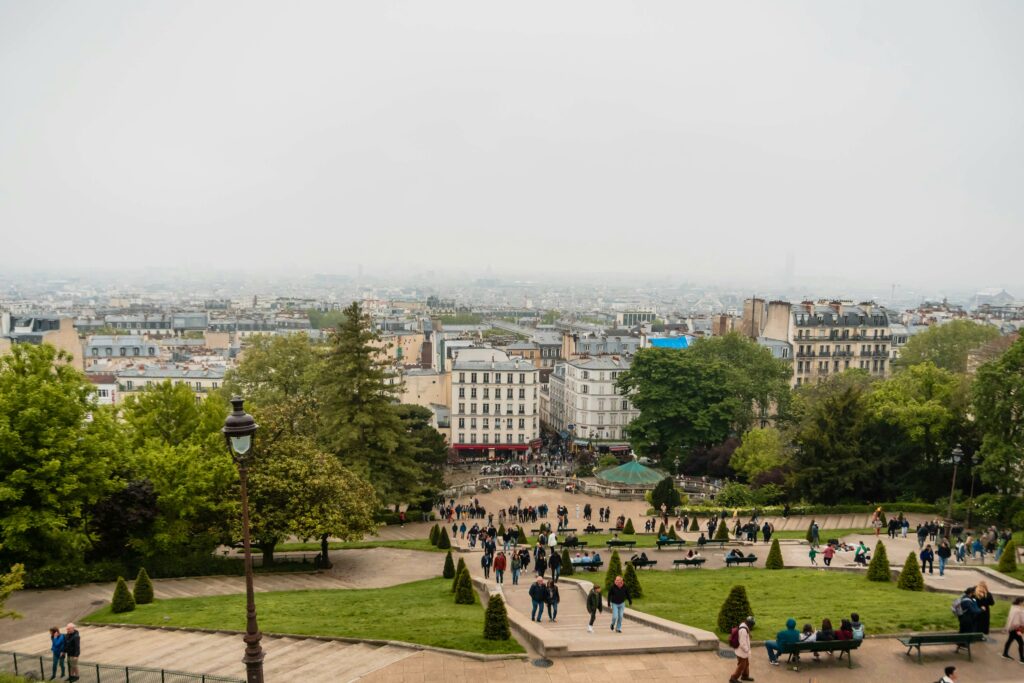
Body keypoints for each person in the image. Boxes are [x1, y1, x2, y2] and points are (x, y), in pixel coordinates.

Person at [729, 616, 754, 683]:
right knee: (741, 666)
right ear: (749, 624)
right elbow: (742, 643)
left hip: (742, 651)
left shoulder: (744, 626)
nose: (752, 626)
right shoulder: (743, 630)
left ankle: (745, 676)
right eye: (752, 625)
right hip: (742, 652)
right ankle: (733, 678)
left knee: (746, 664)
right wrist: (747, 650)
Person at [1002, 596, 1024, 662]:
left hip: (1012, 627)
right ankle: (1022, 659)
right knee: (1021, 643)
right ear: (1020, 602)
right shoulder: (1019, 610)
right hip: (1016, 628)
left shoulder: (1014, 608)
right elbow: (1021, 621)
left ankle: (1005, 654)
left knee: (1010, 640)